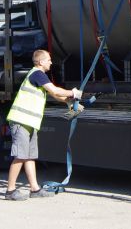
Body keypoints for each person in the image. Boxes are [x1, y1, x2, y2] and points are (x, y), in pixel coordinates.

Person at [5, 49, 82, 201]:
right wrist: (72, 93)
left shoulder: (40, 77)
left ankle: (34, 189)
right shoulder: (37, 74)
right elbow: (54, 89)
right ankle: (10, 191)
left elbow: (54, 94)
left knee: (29, 157)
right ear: (41, 62)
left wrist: (68, 102)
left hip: (30, 123)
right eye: (48, 60)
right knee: (20, 156)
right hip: (21, 121)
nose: (51, 62)